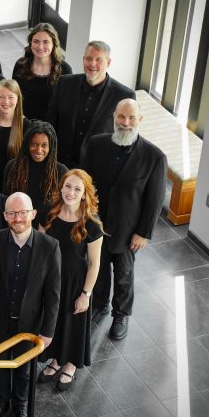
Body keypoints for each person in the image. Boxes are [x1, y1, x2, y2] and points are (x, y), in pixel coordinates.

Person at [81, 98, 166, 340]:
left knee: (123, 275)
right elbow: (85, 184)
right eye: (121, 117)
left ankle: (121, 314)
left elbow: (155, 200)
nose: (125, 122)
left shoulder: (154, 156)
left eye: (131, 118)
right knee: (97, 269)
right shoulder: (96, 144)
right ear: (114, 117)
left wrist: (143, 233)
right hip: (97, 225)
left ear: (140, 120)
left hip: (128, 231)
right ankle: (99, 305)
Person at [0, 192, 61, 417]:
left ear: (33, 214)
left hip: (30, 324)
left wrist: (47, 331)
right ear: (5, 216)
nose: (17, 218)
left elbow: (53, 294)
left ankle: (20, 404)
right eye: (12, 213)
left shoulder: (50, 246)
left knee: (24, 369)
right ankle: (1, 401)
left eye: (22, 212)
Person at [36, 169, 103, 390]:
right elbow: (39, 248)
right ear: (61, 187)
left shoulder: (92, 223)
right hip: (52, 277)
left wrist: (85, 294)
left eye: (77, 189)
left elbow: (94, 264)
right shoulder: (48, 212)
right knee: (54, 321)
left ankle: (71, 364)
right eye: (67, 186)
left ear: (84, 194)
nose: (71, 192)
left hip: (76, 281)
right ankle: (56, 360)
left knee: (73, 323)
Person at [47, 40, 135, 168]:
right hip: (60, 162)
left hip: (97, 165)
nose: (92, 64)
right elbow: (50, 122)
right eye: (88, 59)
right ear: (83, 60)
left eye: (99, 60)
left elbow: (125, 138)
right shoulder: (64, 83)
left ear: (108, 62)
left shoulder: (124, 95)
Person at [3, 121, 68, 214]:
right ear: (27, 144)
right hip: (18, 220)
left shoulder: (61, 171)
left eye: (44, 145)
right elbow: (6, 202)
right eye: (34, 144)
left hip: (47, 222)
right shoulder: (12, 167)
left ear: (51, 147)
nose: (39, 150)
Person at [12, 23, 72, 121]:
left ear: (53, 44)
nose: (40, 47)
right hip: (24, 122)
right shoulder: (20, 65)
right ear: (30, 43)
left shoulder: (65, 70)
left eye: (45, 42)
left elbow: (67, 106)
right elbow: (14, 97)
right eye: (36, 41)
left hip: (51, 126)